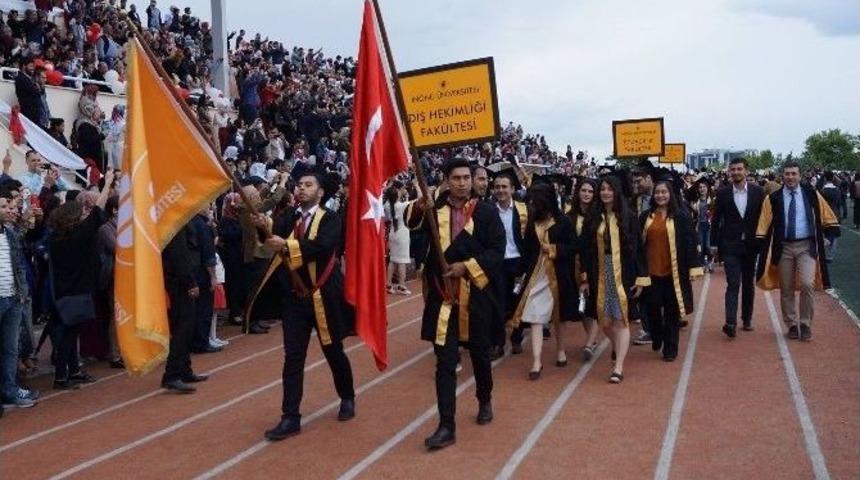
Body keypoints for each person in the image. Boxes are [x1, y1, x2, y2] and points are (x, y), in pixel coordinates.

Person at [405, 158, 505, 449]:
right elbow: (411, 224)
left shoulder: (485, 213)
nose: (461, 183)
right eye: (456, 178)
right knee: (445, 363)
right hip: (443, 298)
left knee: (480, 356)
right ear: (446, 181)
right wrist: (418, 206)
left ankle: (484, 398)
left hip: (477, 296)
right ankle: (446, 424)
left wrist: (467, 266)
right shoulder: (433, 212)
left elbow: (496, 251)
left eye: (466, 178)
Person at [251, 169, 355, 441]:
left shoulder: (331, 218)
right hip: (295, 301)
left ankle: (347, 396)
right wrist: (262, 225)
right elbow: (270, 239)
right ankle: (290, 417)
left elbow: (322, 248)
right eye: (299, 184)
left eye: (309, 184)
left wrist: (285, 244)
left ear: (321, 192)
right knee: (293, 358)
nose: (301, 188)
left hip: (323, 296)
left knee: (333, 351)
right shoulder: (289, 216)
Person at [755, 161, 841, 341]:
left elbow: (826, 214)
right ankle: (792, 324)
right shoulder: (774, 198)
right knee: (786, 288)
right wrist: (760, 245)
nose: (790, 177)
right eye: (787, 173)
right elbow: (763, 223)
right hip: (784, 247)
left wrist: (828, 235)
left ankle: (805, 323)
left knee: (807, 284)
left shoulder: (811, 194)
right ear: (782, 176)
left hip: (806, 247)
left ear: (800, 175)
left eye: (794, 173)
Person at [47, 170, 114, 390]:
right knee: (69, 334)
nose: (84, 214)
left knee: (70, 332)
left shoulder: (56, 238)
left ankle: (72, 370)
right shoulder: (78, 235)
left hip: (64, 291)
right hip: (76, 290)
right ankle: (61, 376)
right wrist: (108, 183)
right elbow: (99, 208)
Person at [580, 175, 649, 384]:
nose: (605, 193)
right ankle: (617, 346)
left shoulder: (629, 217)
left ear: (616, 192)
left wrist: (641, 277)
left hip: (623, 272)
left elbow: (639, 250)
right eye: (602, 189)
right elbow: (584, 250)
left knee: (621, 319)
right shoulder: (593, 218)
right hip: (599, 272)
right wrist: (584, 277)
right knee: (604, 321)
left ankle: (618, 367)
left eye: (610, 189)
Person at [508, 182, 575, 379]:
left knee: (559, 316)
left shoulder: (563, 221)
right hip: (536, 277)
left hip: (558, 275)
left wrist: (553, 249)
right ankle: (536, 361)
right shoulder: (532, 222)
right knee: (536, 316)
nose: (532, 205)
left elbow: (573, 247)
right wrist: (520, 273)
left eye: (535, 202)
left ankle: (561, 349)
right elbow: (527, 250)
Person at [640, 181, 703, 361]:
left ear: (670, 194)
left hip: (674, 272)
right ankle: (656, 334)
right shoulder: (646, 216)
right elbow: (638, 244)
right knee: (651, 308)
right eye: (657, 192)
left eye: (664, 192)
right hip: (650, 273)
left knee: (671, 312)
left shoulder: (681, 217)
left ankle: (671, 347)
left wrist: (693, 267)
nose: (660, 195)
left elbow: (691, 242)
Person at [711, 157, 765, 338]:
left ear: (746, 171)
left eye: (739, 169)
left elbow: (763, 219)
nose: (736, 172)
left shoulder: (758, 192)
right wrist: (713, 244)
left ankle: (747, 318)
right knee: (733, 283)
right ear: (729, 171)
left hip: (751, 246)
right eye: (733, 169)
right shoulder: (723, 193)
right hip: (730, 245)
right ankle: (730, 322)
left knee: (748, 284)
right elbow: (716, 220)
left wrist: (763, 241)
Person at [161, 221, 209, 393]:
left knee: (186, 327)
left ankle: (184, 370)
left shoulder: (178, 223)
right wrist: (190, 282)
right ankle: (172, 375)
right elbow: (179, 256)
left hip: (180, 279)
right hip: (179, 283)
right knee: (183, 326)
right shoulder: (174, 225)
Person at [0, 191, 37, 408]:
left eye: (8, 206)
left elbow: (18, 267)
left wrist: (20, 295)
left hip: (13, 299)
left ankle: (10, 391)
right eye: (4, 206)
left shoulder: (10, 234)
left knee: (10, 348)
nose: (8, 210)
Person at [490, 171, 527, 359]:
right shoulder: (488, 210)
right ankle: (498, 342)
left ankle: (517, 337)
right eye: (497, 187)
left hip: (518, 262)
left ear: (512, 189)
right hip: (497, 263)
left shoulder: (523, 210)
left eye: (504, 187)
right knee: (497, 303)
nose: (501, 190)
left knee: (518, 301)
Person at [567, 177, 600, 360]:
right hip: (574, 265)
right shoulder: (569, 215)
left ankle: (589, 343)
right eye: (583, 190)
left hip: (594, 264)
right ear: (578, 192)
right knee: (583, 305)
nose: (586, 194)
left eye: (590, 191)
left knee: (593, 302)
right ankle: (592, 339)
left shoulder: (598, 216)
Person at [385, 182, 412, 295]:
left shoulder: (386, 205)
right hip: (402, 234)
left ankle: (388, 284)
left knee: (393, 259)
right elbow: (420, 199)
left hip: (392, 233)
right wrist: (416, 186)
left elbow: (389, 193)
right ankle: (402, 285)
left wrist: (392, 185)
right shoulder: (402, 205)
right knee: (402, 261)